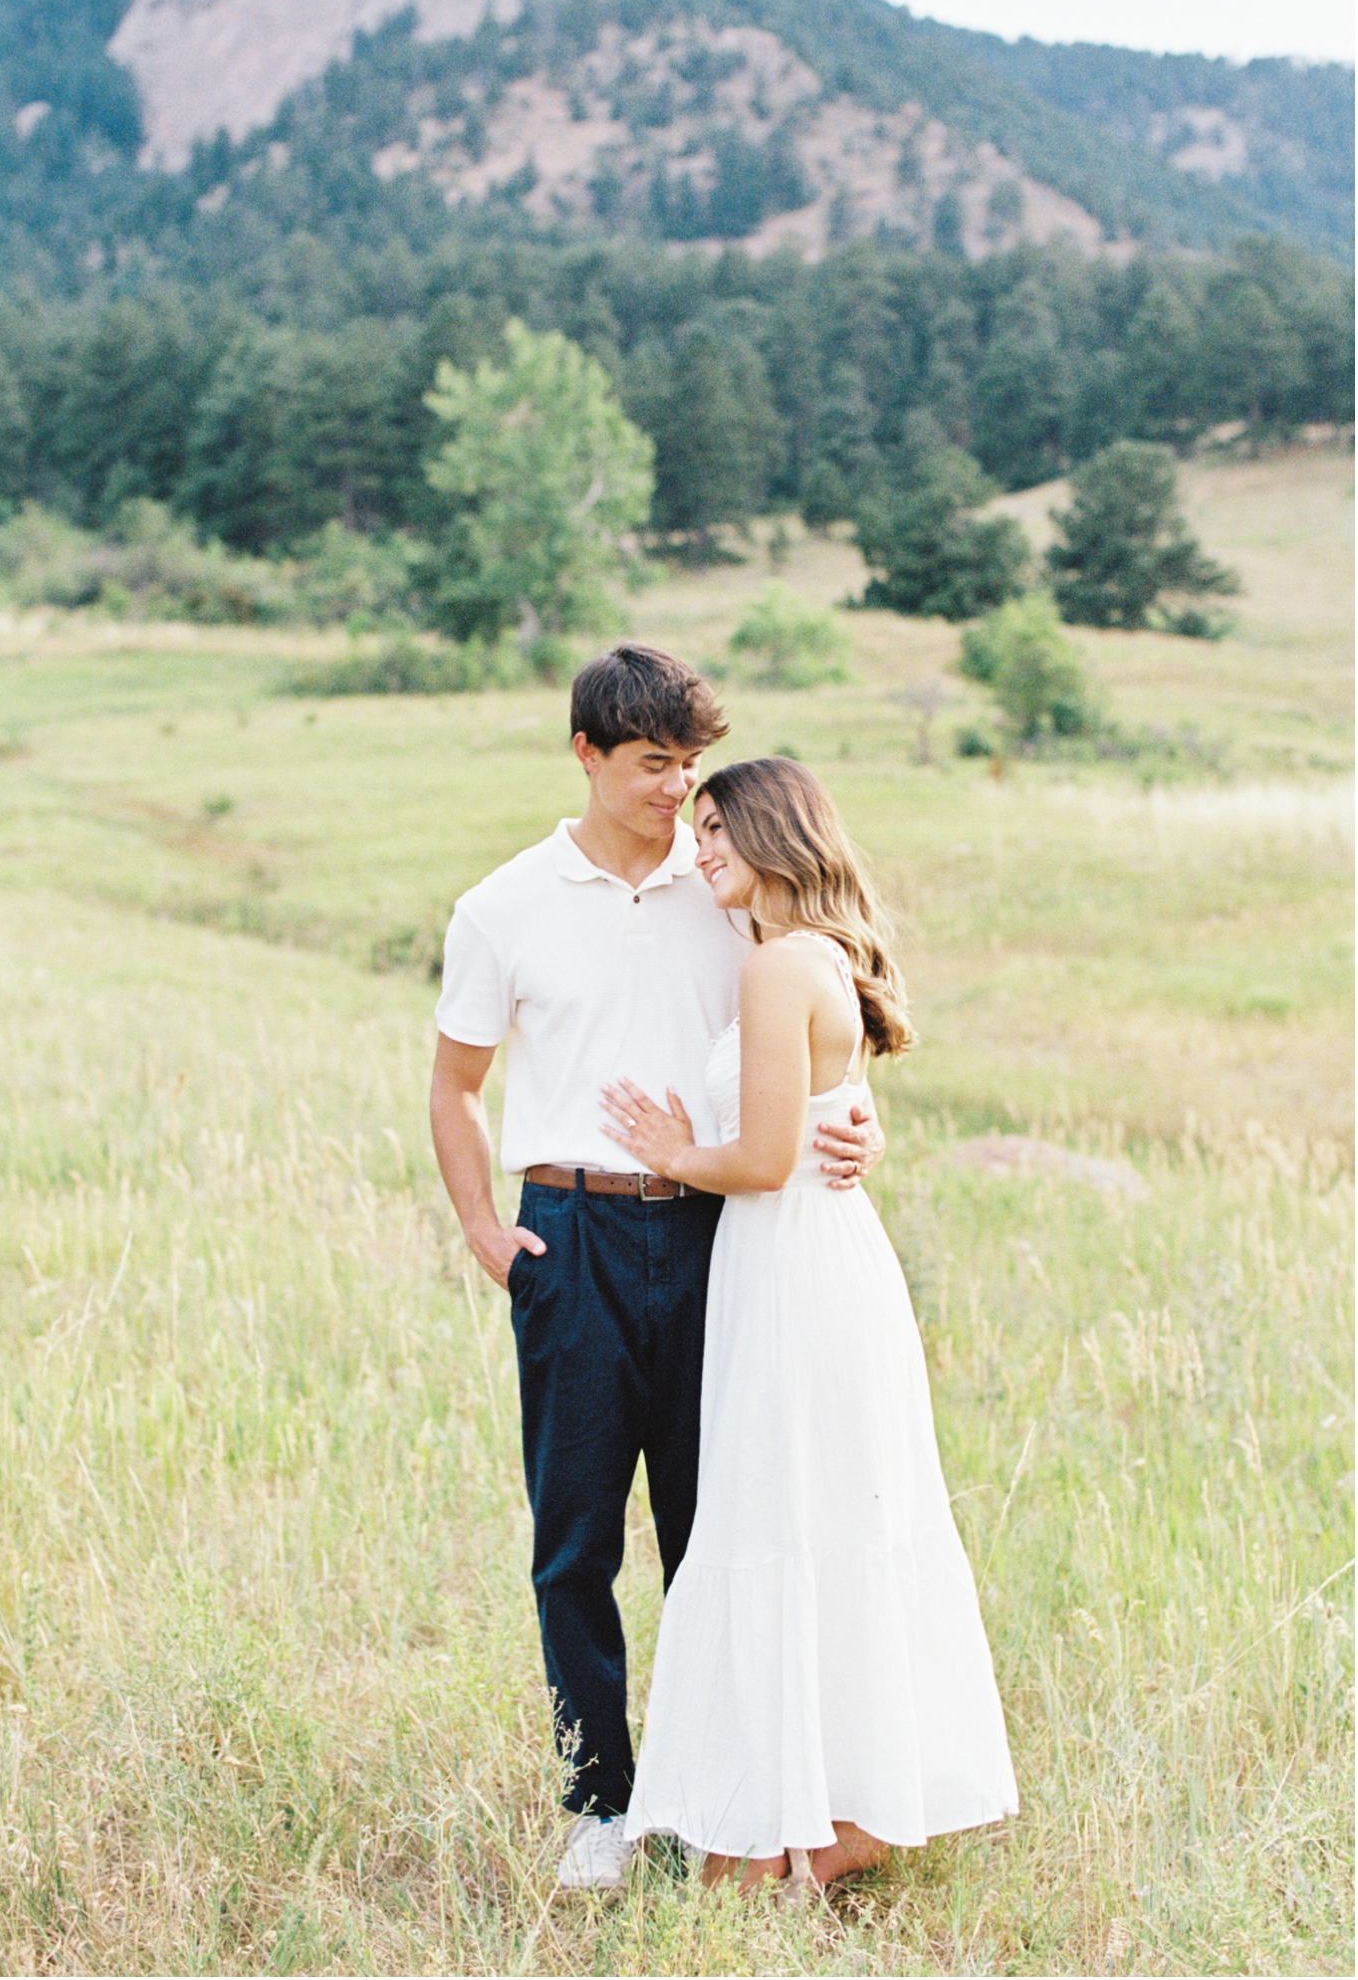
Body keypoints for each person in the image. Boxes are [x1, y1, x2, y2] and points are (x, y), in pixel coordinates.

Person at [429, 647, 883, 1892]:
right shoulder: (501, 906)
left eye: (689, 764)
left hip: (710, 1235)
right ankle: (598, 1803)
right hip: (565, 1237)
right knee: (575, 1535)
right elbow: (455, 1086)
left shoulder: (724, 885)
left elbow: (825, 1019)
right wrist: (484, 1227)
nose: (676, 789)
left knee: (717, 1521)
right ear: (584, 752)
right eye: (650, 764)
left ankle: (718, 1793)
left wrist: (859, 1119)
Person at [603, 756, 1018, 1893]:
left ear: (774, 832)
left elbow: (764, 1157)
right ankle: (826, 1813)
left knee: (773, 1514)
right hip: (802, 1264)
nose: (699, 847)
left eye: (716, 827)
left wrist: (670, 1150)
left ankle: (782, 1827)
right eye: (692, 829)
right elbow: (833, 1114)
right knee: (809, 1511)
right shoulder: (812, 957)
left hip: (793, 1267)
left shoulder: (781, 963)